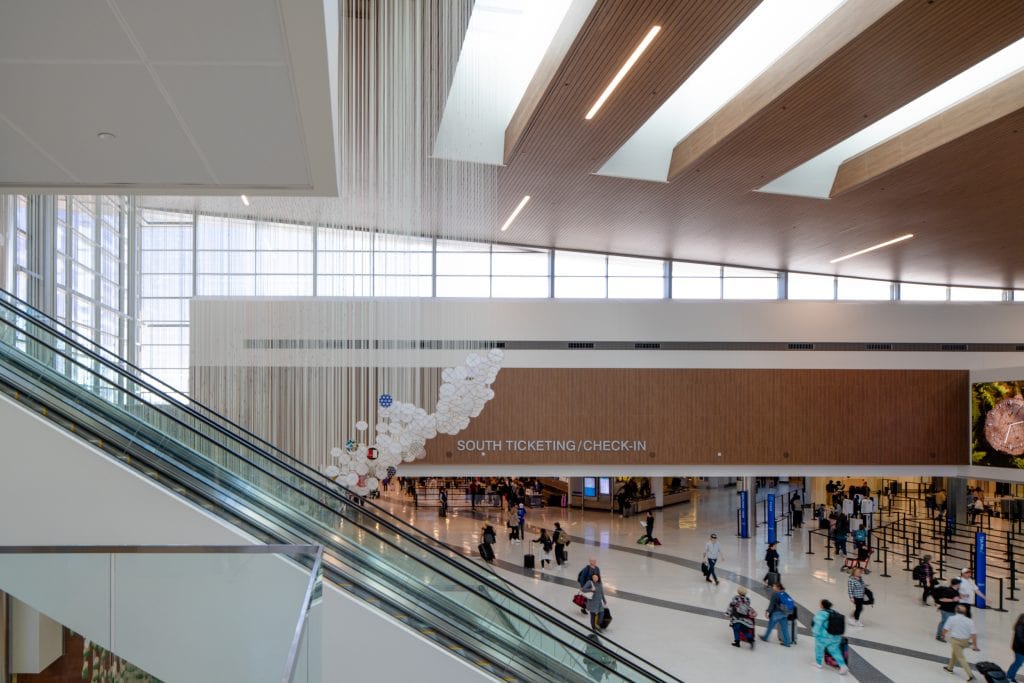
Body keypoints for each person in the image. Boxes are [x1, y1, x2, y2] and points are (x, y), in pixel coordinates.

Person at [942, 604, 980, 680]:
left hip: (956, 641)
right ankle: (950, 668)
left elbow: (945, 629)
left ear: (956, 610)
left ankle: (971, 676)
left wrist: (943, 635)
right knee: (955, 654)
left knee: (961, 658)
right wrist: (975, 645)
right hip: (965, 641)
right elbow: (973, 634)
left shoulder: (952, 618)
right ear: (965, 612)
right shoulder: (970, 621)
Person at [812, 599, 849, 675]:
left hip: (823, 637)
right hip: (836, 636)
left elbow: (817, 624)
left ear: (822, 605)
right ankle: (843, 666)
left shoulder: (821, 614)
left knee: (819, 649)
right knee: (835, 651)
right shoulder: (834, 612)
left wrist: (814, 633)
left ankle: (818, 663)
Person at [760, 582, 793, 647]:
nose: (773, 587)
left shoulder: (775, 594)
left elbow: (771, 604)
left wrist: (767, 611)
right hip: (784, 613)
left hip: (776, 613)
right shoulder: (785, 593)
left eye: (774, 586)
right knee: (784, 628)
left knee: (770, 626)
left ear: (778, 587)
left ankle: (765, 637)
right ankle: (787, 642)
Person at [1007, 613, 1024, 681]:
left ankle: (1010, 676)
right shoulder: (1020, 627)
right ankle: (1009, 676)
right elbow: (1021, 639)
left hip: (1020, 649)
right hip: (1020, 650)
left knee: (1018, 663)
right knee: (1018, 663)